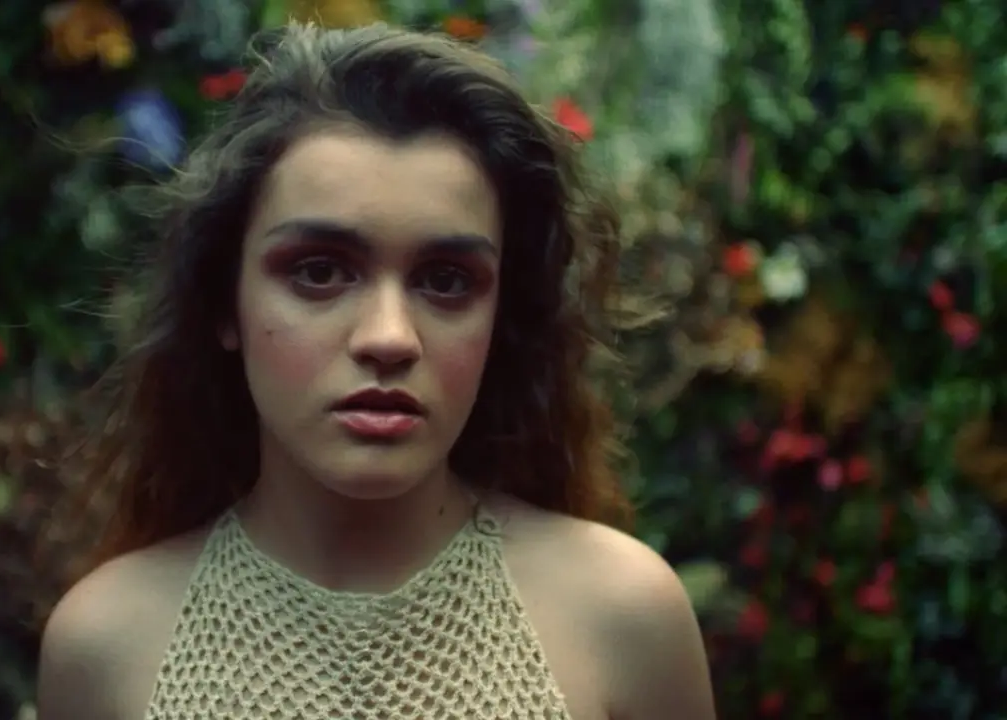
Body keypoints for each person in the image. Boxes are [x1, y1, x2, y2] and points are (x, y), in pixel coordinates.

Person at [37, 21, 716, 720]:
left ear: (502, 317)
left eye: (446, 280)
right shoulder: (107, 646)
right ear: (223, 303)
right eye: (319, 271)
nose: (389, 337)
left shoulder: (621, 619)